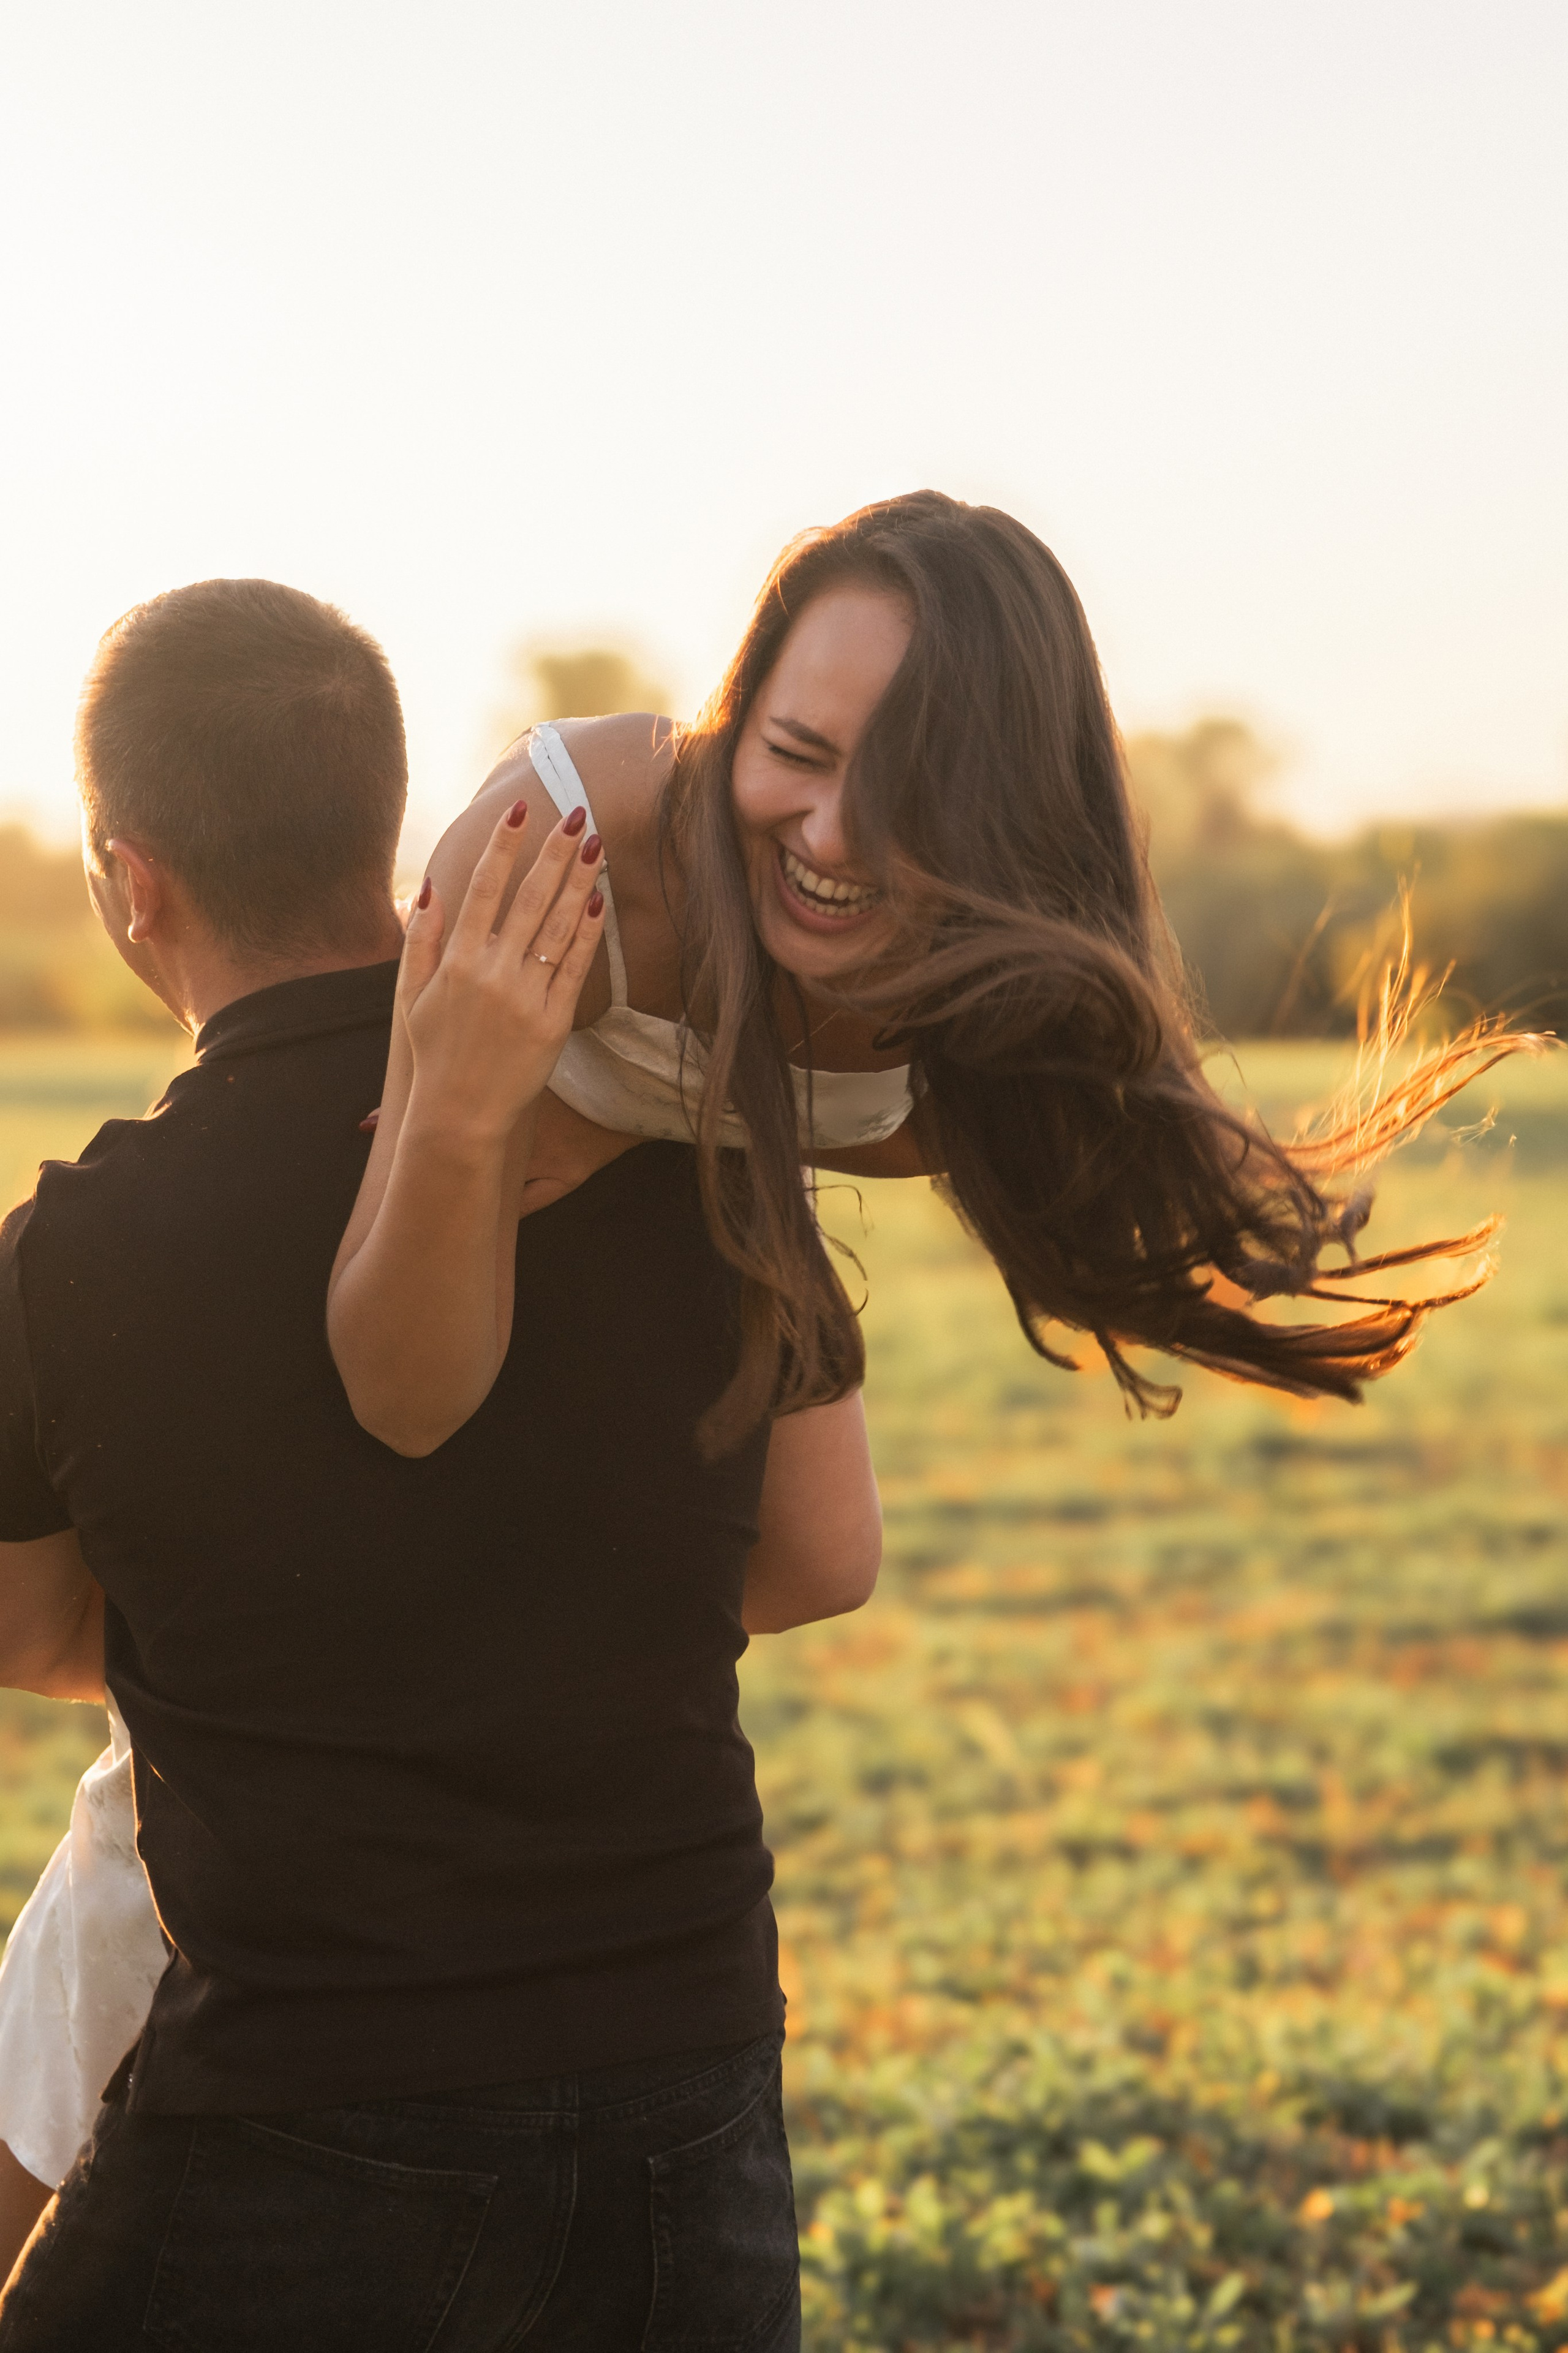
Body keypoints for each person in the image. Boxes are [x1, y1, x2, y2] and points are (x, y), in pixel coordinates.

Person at [0, 576, 879, 2346]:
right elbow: (816, 1552)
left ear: (128, 878)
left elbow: (28, 1633)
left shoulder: (75, 1245)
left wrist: (280, 1648)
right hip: (686, 2082)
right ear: (386, 826)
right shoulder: (691, 1150)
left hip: (303, 2103)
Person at [331, 487, 1512, 1466]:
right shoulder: (564, 851)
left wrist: (644, 1132)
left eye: (911, 798)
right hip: (442, 1099)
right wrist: (472, 1112)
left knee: (827, 1560)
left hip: (711, 1175)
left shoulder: (990, 1016)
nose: (833, 837)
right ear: (739, 719)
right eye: (794, 751)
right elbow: (404, 1400)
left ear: (1014, 819)